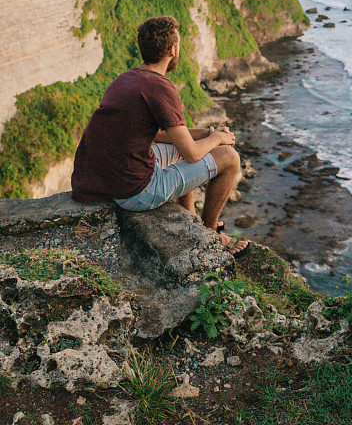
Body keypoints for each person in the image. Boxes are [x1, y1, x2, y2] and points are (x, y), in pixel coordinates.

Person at [71, 15, 249, 256]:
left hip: (102, 179)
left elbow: (160, 134)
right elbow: (191, 152)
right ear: (172, 50)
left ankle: (189, 220)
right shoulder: (161, 88)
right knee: (229, 157)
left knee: (191, 148)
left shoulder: (125, 79)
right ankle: (210, 236)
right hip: (134, 192)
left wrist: (209, 132)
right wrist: (219, 139)